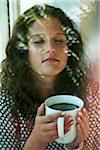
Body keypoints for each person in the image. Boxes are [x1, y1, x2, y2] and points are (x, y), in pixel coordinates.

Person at [0, 4, 90, 150]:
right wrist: (36, 142)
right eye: (38, 41)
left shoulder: (90, 96)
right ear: (23, 52)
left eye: (59, 40)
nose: (50, 48)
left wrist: (77, 146)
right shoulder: (4, 104)